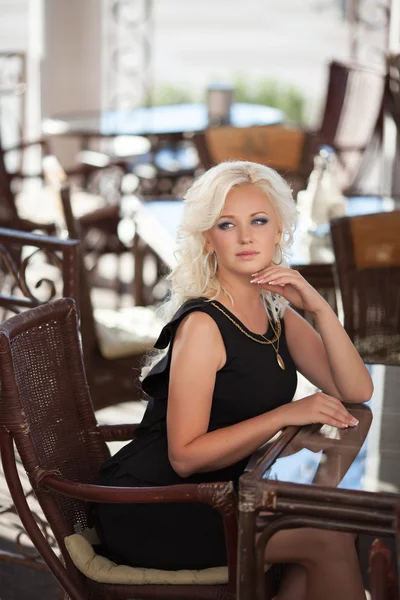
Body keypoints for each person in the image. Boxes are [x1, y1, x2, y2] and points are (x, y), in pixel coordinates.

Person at [93, 161, 373, 600]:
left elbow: (358, 391)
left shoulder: (275, 309)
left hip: (225, 491)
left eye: (259, 221)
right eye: (227, 224)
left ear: (279, 230)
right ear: (209, 238)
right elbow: (184, 457)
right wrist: (286, 415)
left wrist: (318, 305)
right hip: (158, 504)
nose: (246, 237)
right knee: (327, 538)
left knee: (325, 535)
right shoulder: (204, 325)